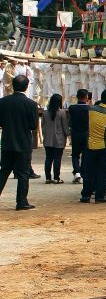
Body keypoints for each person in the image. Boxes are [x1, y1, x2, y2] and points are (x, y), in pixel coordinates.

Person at [0, 75, 39, 210]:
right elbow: (33, 126)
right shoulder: (31, 104)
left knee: (3, 171)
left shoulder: (3, 102)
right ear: (27, 87)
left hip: (7, 142)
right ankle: (21, 202)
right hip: (23, 143)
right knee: (23, 173)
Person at [81, 87, 106, 203]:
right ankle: (100, 195)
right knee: (103, 172)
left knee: (89, 172)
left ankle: (86, 195)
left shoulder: (91, 109)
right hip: (105, 146)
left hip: (90, 145)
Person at [41, 93, 69, 184]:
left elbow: (43, 126)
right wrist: (68, 134)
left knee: (48, 158)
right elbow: (65, 127)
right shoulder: (62, 113)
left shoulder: (45, 113)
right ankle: (56, 177)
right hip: (59, 139)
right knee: (57, 159)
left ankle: (48, 178)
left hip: (48, 139)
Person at [68, 89, 91, 183]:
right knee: (85, 154)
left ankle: (77, 172)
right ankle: (82, 172)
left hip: (75, 133)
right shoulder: (90, 108)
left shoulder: (72, 108)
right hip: (86, 134)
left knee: (75, 154)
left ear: (77, 97)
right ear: (87, 97)